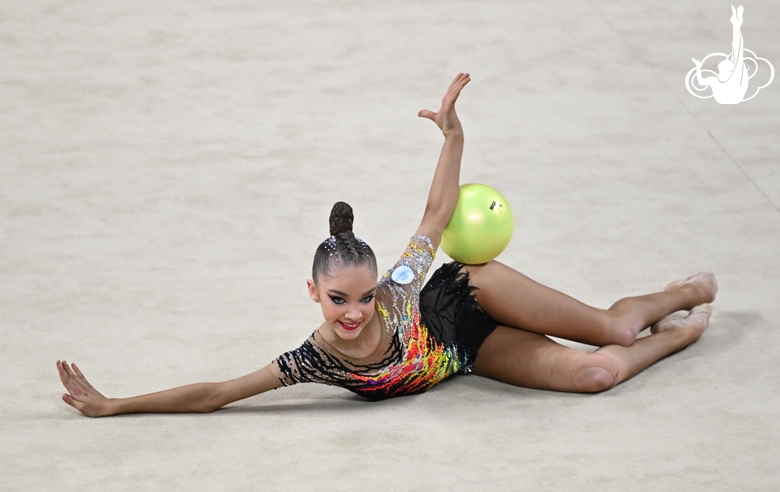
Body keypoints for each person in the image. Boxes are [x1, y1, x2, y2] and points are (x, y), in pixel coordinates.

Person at [57, 73, 717, 416]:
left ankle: (683, 296)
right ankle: (677, 336)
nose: (355, 311)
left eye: (365, 297)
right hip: (467, 353)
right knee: (597, 374)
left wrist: (453, 136)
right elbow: (216, 395)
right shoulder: (312, 362)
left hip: (467, 298)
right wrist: (115, 404)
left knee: (613, 332)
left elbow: (435, 213)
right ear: (313, 293)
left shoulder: (400, 294)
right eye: (339, 300)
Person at [692, 5, 748, 104]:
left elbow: (737, 48)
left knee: (737, 51)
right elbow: (701, 82)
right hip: (730, 97)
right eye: (728, 61)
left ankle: (736, 23)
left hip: (731, 96)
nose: (725, 59)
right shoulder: (717, 80)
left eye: (727, 61)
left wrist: (698, 68)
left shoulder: (728, 78)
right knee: (737, 52)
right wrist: (698, 67)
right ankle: (736, 23)